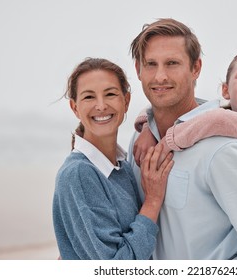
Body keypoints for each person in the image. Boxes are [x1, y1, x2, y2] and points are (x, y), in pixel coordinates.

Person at [128, 18, 237, 259]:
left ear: (196, 68)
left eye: (173, 63)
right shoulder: (140, 137)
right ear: (138, 70)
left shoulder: (222, 148)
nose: (160, 76)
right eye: (151, 64)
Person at [52, 58, 174, 260]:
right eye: (89, 97)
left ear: (126, 101)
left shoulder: (122, 168)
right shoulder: (80, 174)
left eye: (110, 94)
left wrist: (147, 127)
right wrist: (153, 201)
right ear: (75, 107)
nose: (101, 106)